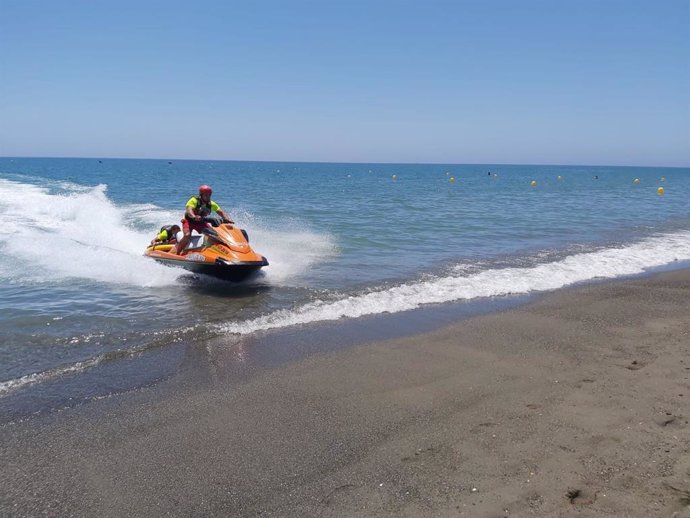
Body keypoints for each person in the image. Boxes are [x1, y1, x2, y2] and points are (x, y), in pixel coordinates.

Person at [173, 185, 234, 255]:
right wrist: (194, 216)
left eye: (209, 195)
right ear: (201, 195)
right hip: (189, 221)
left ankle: (211, 252)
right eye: (206, 195)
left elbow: (220, 211)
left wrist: (226, 218)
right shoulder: (194, 200)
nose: (208, 197)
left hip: (200, 222)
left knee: (214, 235)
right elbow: (189, 210)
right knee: (187, 235)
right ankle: (177, 253)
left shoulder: (211, 204)